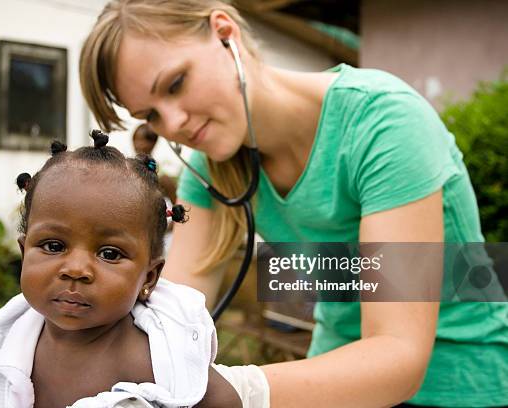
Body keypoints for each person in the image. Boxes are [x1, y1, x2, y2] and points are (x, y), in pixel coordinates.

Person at [78, 1, 508, 407]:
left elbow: (399, 354)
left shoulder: (385, 123)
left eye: (176, 84)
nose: (172, 123)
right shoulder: (210, 165)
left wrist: (237, 391)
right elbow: (173, 314)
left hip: (458, 382)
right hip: (336, 375)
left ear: (224, 32)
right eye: (150, 115)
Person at [0, 132, 246, 408]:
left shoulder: (156, 357)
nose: (75, 269)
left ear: (149, 277)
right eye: (53, 246)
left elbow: (225, 402)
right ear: (24, 253)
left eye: (109, 254)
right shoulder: (8, 339)